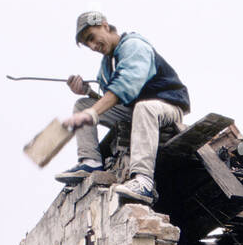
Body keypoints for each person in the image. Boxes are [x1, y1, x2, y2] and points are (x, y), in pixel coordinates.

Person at [56, 11, 190, 205]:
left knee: (143, 108)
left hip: (168, 106)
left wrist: (92, 113)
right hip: (135, 111)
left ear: (104, 25)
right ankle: (91, 163)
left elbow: (124, 87)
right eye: (87, 44)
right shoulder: (105, 66)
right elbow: (112, 100)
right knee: (82, 105)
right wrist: (88, 93)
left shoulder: (134, 46)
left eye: (92, 38)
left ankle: (143, 182)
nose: (93, 46)